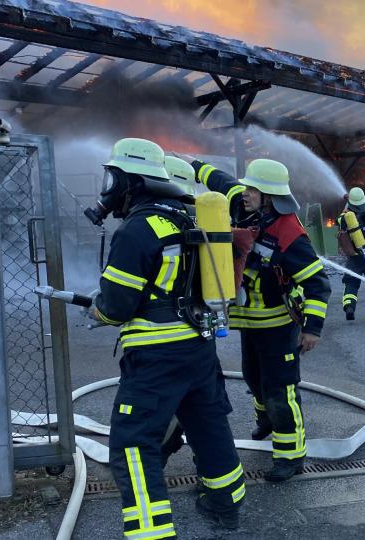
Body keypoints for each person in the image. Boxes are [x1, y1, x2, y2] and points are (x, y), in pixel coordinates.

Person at [86, 138, 246, 537]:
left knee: (134, 444)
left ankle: (150, 532)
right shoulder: (186, 219)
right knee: (209, 426)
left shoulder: (138, 229)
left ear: (131, 181)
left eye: (114, 179)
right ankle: (226, 506)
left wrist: (97, 309)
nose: (111, 190)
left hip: (156, 355)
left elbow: (116, 306)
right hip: (199, 347)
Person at [230, 158, 332, 482]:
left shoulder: (289, 233)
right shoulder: (249, 218)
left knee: (280, 393)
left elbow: (319, 284)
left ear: (269, 196)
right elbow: (220, 183)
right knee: (253, 379)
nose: (244, 194)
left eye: (252, 189)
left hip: (277, 328)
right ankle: (266, 422)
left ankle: (290, 456)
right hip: (250, 324)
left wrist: (312, 329)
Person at [338, 187, 365, 323]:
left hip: (355, 257)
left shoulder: (345, 218)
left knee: (351, 282)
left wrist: (348, 206)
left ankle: (350, 306)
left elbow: (340, 221)